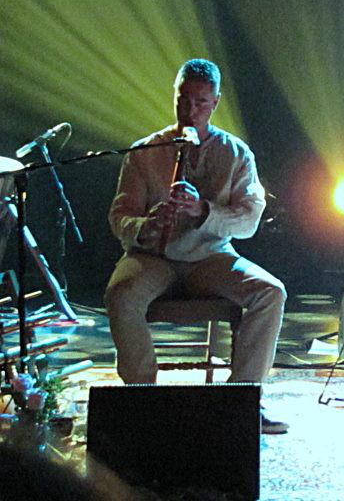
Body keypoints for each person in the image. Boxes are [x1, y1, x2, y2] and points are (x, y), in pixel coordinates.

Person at [104, 58, 288, 434]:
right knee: (120, 294)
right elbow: (119, 216)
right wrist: (147, 224)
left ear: (215, 102)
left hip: (211, 256)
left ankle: (243, 399)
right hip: (152, 257)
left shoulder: (236, 154)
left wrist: (204, 209)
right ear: (175, 96)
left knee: (271, 293)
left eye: (201, 102)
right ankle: (141, 397)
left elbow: (249, 219)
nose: (190, 110)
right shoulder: (145, 151)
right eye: (183, 100)